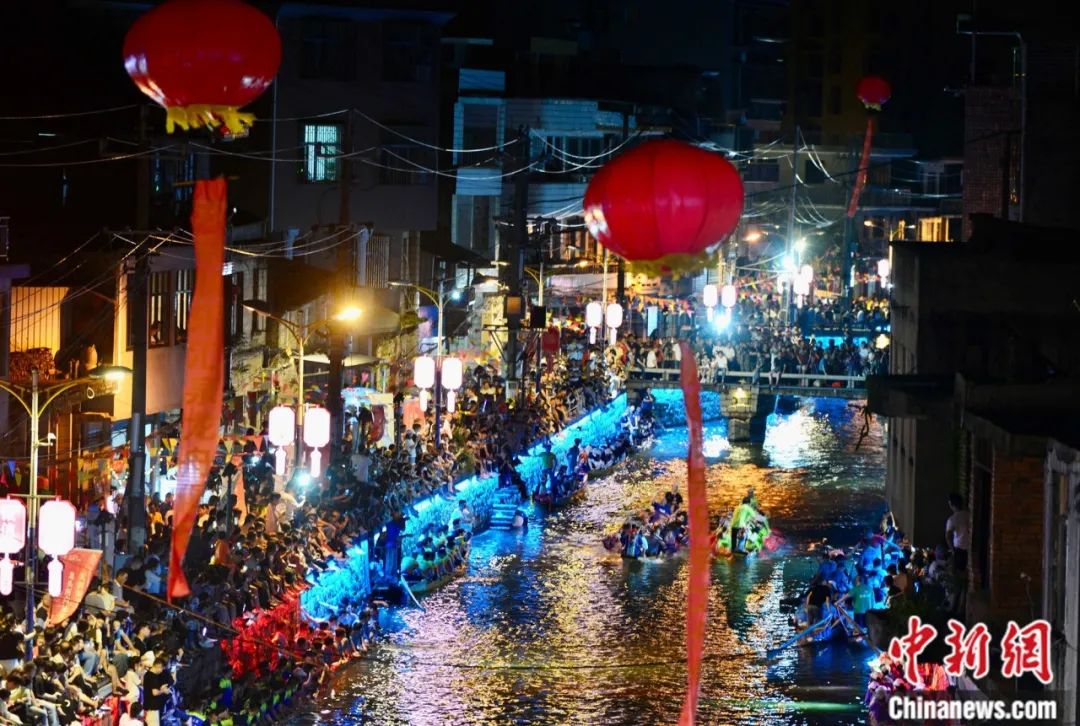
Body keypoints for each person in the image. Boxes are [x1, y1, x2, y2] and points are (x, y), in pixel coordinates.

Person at [141, 655, 172, 726]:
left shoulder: (147, 674)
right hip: (152, 708)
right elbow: (154, 693)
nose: (162, 671)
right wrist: (163, 690)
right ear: (158, 666)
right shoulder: (153, 677)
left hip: (148, 706)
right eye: (162, 668)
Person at [945, 493, 969, 571]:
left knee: (960, 571)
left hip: (959, 549)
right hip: (971, 547)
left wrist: (952, 550)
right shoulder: (968, 515)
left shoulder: (952, 519)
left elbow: (948, 536)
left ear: (951, 504)